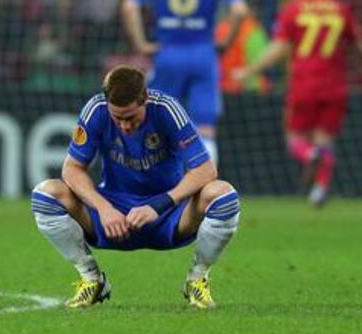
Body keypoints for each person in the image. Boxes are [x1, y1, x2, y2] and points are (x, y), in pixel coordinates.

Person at [30, 65, 241, 309]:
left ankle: (197, 279)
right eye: (117, 118)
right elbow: (71, 169)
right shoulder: (96, 110)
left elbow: (206, 169)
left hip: (169, 215)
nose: (124, 126)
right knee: (46, 193)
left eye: (130, 117)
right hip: (114, 215)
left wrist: (159, 205)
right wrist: (104, 208)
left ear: (145, 99)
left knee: (223, 195)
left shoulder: (166, 110)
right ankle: (91, 279)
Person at [235, 0, 362, 206]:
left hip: (304, 83)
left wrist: (250, 70)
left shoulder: (293, 8)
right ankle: (319, 190)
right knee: (324, 138)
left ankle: (310, 155)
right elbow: (359, 44)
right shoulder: (341, 9)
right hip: (335, 85)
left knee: (294, 137)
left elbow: (279, 48)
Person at [121, 0, 251, 165]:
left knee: (159, 123)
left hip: (167, 52)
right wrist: (225, 43)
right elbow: (239, 10)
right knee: (205, 129)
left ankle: (158, 189)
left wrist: (141, 44)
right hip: (203, 53)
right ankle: (204, 193)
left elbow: (129, 6)